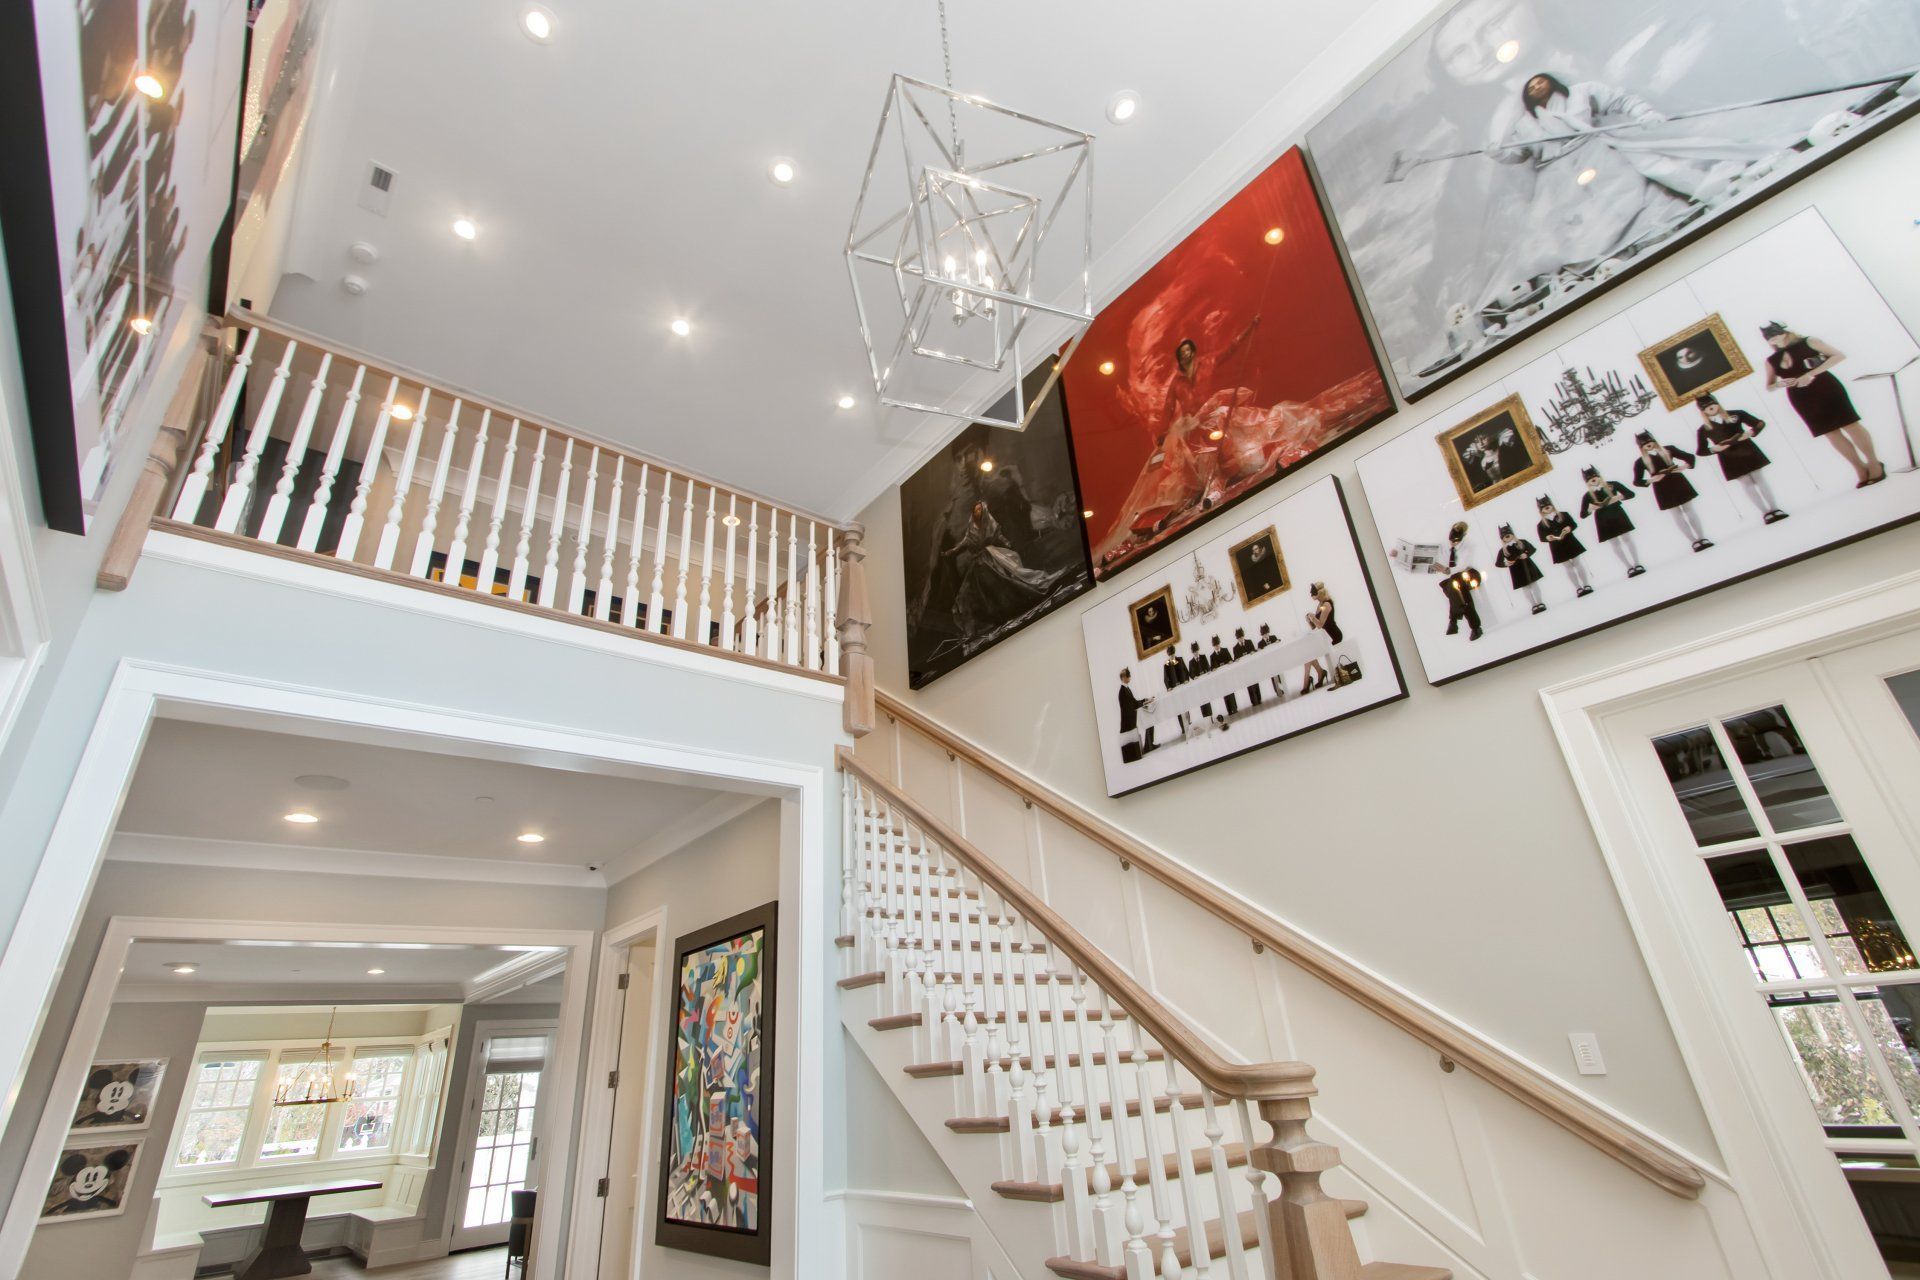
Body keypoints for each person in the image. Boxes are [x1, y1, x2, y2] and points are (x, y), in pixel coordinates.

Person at [1480, 73, 1767, 297]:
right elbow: (1519, 154)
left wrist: (1644, 113)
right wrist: (1498, 153)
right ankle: (1591, 261)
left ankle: (1655, 225)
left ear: (1551, 81)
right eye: (1531, 88)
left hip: (1596, 153)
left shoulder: (1581, 93)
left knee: (1642, 182)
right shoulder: (1526, 125)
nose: (1537, 88)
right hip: (1556, 173)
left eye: (1539, 82)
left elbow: (1619, 100)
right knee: (1558, 224)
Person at [1762, 322, 1886, 487]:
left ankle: (1874, 463)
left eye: (1775, 333)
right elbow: (1769, 386)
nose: (1773, 338)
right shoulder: (1771, 360)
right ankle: (1859, 468)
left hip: (1826, 387)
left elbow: (1838, 355)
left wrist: (1811, 374)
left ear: (1783, 331)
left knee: (1850, 425)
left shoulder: (1809, 342)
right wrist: (1779, 384)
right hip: (1801, 397)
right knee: (1830, 433)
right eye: (1768, 337)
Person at [1695, 394, 1788, 523]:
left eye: (1712, 404)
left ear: (1717, 403)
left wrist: (1751, 433)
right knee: (1746, 483)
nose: (1710, 408)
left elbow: (1759, 423)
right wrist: (1715, 449)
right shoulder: (1704, 429)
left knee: (1759, 478)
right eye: (1705, 407)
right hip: (1729, 457)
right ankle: (1765, 512)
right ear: (1702, 411)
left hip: (1747, 450)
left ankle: (1775, 508)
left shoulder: (1736, 414)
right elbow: (1701, 451)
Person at [1631, 430, 1712, 552]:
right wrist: (1651, 480)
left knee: (1689, 510)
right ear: (1641, 447)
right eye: (1644, 444)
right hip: (1662, 488)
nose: (1648, 445)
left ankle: (1702, 537)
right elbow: (1637, 481)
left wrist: (1684, 466)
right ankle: (1693, 541)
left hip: (1678, 482)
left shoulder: (1669, 449)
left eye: (1649, 441)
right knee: (1676, 515)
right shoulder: (1640, 461)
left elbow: (1689, 457)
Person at [1580, 465, 1646, 576]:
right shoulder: (1587, 496)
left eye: (1595, 476)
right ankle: (1628, 567)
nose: (1593, 479)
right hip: (1603, 519)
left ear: (1599, 475)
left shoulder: (1613, 484)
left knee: (1627, 539)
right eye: (1589, 478)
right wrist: (1590, 510)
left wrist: (1619, 497)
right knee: (1615, 544)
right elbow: (1582, 514)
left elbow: (1631, 494)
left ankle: (1637, 563)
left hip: (1617, 514)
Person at [1535, 494, 1592, 597]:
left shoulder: (1564, 515)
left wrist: (1569, 528)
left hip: (1570, 542)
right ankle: (1578, 588)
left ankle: (1586, 584)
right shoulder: (1541, 525)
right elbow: (1542, 538)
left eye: (1548, 505)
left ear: (1552, 505)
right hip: (1557, 547)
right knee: (1568, 567)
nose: (1546, 508)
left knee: (1578, 563)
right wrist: (1548, 538)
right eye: (1543, 507)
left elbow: (1574, 524)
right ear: (1541, 510)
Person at [1439, 521, 1484, 641]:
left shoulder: (1469, 547)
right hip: (1456, 579)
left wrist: (1447, 570)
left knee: (1454, 582)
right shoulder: (1445, 548)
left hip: (1470, 575)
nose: (1453, 543)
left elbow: (1463, 566)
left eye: (1456, 541)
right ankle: (1475, 627)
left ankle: (1453, 620)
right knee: (1455, 588)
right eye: (1451, 540)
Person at [1494, 523, 1547, 614]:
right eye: (1505, 536)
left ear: (1513, 534)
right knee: (1525, 588)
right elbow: (1498, 563)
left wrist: (1526, 554)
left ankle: (1540, 602)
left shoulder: (1522, 542)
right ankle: (1533, 605)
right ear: (1502, 538)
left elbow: (1532, 549)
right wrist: (1506, 563)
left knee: (1534, 585)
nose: (1507, 537)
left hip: (1528, 566)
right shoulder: (1503, 551)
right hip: (1516, 571)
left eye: (1508, 534)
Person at [1301, 582, 1342, 692]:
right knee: (1308, 653)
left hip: (1334, 636)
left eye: (1313, 592)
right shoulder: (1320, 605)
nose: (1311, 594)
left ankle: (1309, 681)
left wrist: (1313, 617)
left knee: (1309, 653)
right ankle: (1315, 676)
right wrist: (1309, 620)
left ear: (1319, 593)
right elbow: (1315, 627)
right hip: (1325, 637)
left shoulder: (1326, 605)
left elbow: (1320, 624)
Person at [1116, 669, 1155, 762]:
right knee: (1149, 719)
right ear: (1123, 678)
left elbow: (1134, 702)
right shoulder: (1123, 691)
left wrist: (1145, 700)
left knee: (1149, 720)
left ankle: (1149, 745)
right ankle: (1148, 746)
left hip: (1131, 717)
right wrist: (1144, 703)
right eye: (1128, 676)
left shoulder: (1126, 689)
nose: (1130, 677)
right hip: (1129, 721)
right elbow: (1132, 706)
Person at [1207, 635, 1239, 723]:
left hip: (1227, 676)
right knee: (1225, 694)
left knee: (1231, 692)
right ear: (1213, 646)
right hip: (1220, 679)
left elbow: (1230, 659)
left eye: (1217, 645)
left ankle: (1234, 708)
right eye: (1215, 645)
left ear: (1219, 644)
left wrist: (1230, 661)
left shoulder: (1225, 650)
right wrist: (1213, 669)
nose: (1217, 647)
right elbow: (1212, 667)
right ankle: (1229, 710)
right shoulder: (1212, 656)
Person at [1160, 647, 1189, 737]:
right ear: (1168, 655)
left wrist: (1186, 680)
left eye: (1173, 655)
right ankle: (1183, 727)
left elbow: (1185, 670)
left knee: (1186, 705)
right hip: (1174, 689)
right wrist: (1168, 687)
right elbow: (1165, 678)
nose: (1172, 656)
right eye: (1170, 655)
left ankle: (1188, 723)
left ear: (1174, 653)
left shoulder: (1180, 659)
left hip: (1182, 686)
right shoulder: (1166, 664)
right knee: (1178, 709)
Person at [1230, 627, 1263, 706]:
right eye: (1239, 638)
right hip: (1244, 670)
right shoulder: (1235, 648)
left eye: (1241, 637)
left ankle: (1259, 699)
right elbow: (1235, 659)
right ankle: (1254, 702)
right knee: (1249, 685)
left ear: (1243, 636)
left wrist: (1253, 652)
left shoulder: (1249, 642)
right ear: (1237, 639)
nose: (1241, 639)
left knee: (1255, 683)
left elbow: (1254, 651)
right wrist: (1236, 660)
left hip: (1252, 667)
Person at [1184, 642, 1214, 723]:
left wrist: (1207, 672)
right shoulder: (1191, 662)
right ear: (1192, 652)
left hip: (1205, 682)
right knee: (1202, 701)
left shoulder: (1203, 657)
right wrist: (1194, 677)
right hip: (1198, 685)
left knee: (1207, 700)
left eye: (1196, 651)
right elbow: (1191, 674)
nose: (1196, 653)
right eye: (1194, 652)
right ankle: (1205, 718)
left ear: (1198, 650)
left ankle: (1210, 716)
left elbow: (1208, 667)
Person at [1255, 622, 1286, 700]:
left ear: (1268, 632)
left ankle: (1283, 688)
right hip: (1268, 663)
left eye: (1266, 633)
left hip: (1276, 660)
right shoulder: (1260, 643)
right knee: (1273, 677)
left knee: (1279, 675)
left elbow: (1279, 645)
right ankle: (1277, 690)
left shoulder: (1273, 637)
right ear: (1262, 635)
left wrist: (1278, 641)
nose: (1266, 635)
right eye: (1264, 634)